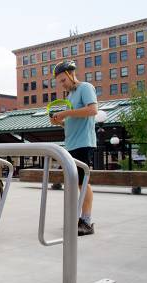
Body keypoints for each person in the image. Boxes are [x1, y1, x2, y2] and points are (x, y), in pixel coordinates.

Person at [50, 60, 97, 236]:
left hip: (84, 143)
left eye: (63, 80)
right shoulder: (69, 97)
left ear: (71, 75)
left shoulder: (85, 87)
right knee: (74, 183)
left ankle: (86, 221)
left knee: (82, 182)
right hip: (71, 145)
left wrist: (66, 113)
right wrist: (60, 123)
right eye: (59, 82)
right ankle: (76, 219)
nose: (62, 84)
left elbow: (92, 110)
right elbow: (73, 121)